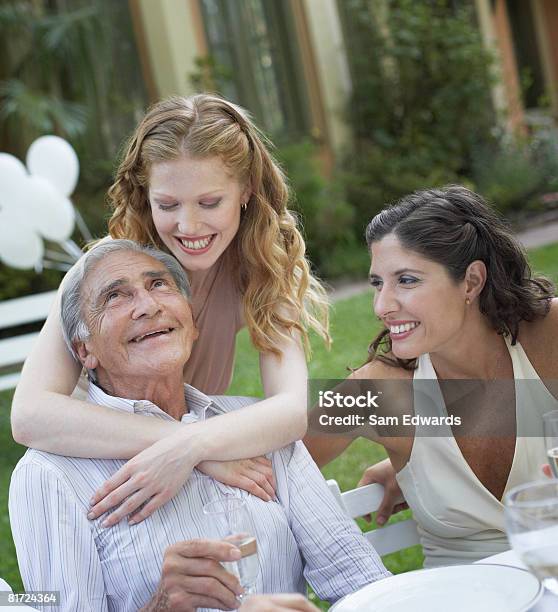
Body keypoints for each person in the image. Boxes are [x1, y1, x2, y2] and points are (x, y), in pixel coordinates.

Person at [9, 240, 388, 611]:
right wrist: (161, 606)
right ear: (84, 351)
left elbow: (358, 579)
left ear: (191, 324)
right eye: (115, 296)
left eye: (159, 284)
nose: (148, 305)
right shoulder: (49, 474)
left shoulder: (256, 427)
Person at [11, 94, 330, 525]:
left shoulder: (261, 265)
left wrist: (193, 447)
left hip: (202, 455)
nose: (189, 225)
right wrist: (189, 444)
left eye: (209, 202)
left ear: (246, 191)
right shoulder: (101, 271)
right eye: (168, 205)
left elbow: (291, 410)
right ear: (145, 196)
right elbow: (29, 414)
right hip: (103, 470)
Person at [304, 185, 558, 567]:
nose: (382, 305)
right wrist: (420, 467)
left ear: (471, 281)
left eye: (406, 280)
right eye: (377, 283)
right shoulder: (380, 391)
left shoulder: (548, 335)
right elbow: (275, 474)